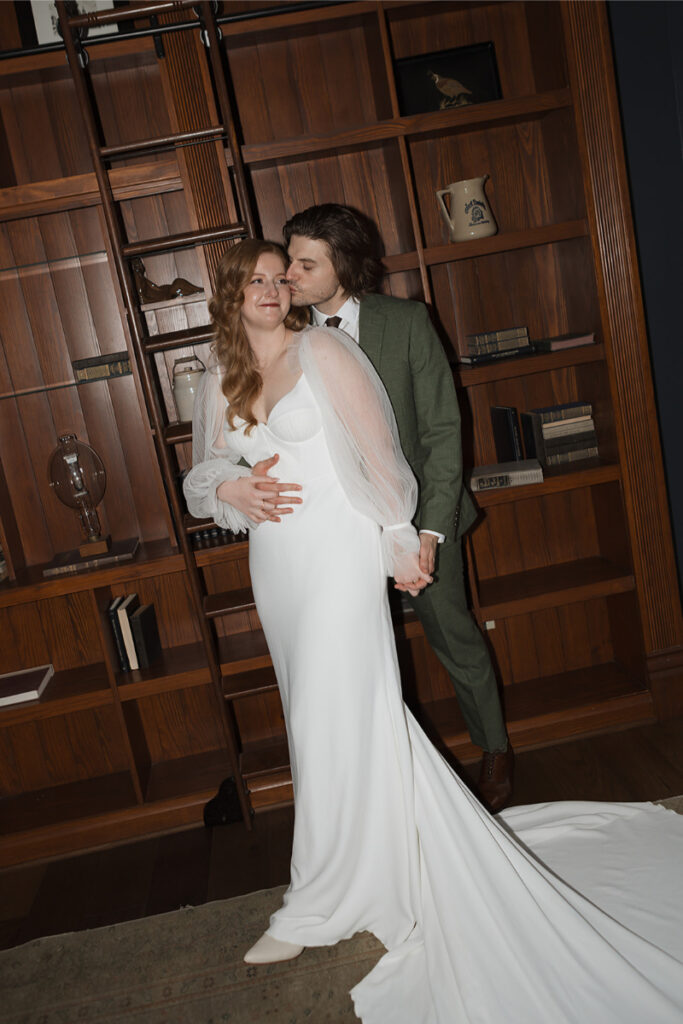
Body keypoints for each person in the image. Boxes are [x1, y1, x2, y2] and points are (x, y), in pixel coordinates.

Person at [184, 239, 683, 1023]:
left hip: (339, 556)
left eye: (282, 278)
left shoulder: (324, 350)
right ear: (228, 294)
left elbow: (385, 463)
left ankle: (316, 900)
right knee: (324, 723)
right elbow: (198, 475)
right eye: (256, 281)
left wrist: (399, 540)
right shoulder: (219, 375)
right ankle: (378, 863)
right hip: (277, 569)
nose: (273, 290)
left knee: (332, 717)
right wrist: (230, 486)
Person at [283, 203, 512, 812]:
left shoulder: (407, 321)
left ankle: (495, 749)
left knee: (453, 635)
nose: (290, 275)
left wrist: (428, 531)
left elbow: (442, 431)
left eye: (307, 263)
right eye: (289, 261)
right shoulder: (287, 336)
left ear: (345, 266)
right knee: (354, 653)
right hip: (336, 530)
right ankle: (380, 783)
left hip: (419, 520)